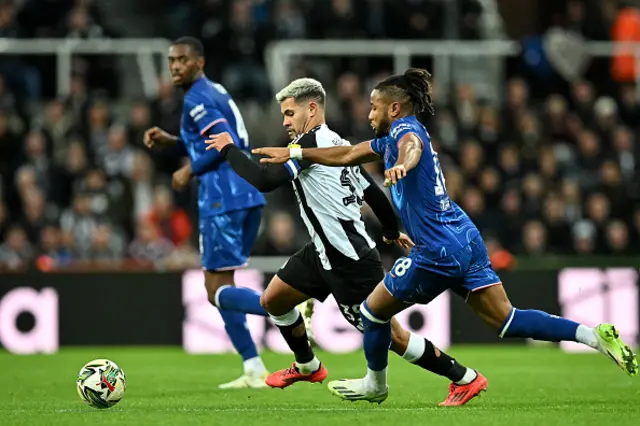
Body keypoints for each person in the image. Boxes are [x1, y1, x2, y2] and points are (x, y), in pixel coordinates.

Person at [251, 68, 639, 404]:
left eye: (374, 107)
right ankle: (592, 336)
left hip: (437, 250)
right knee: (507, 320)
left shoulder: (404, 131)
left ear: (395, 108)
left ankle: (375, 384)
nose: (369, 114)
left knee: (372, 311)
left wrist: (403, 165)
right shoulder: (387, 140)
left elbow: (412, 148)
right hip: (463, 235)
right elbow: (348, 155)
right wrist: (298, 155)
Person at [206, 77, 487, 406]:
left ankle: (465, 377)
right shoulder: (335, 143)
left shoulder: (307, 149)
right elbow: (373, 194)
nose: (284, 121)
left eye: (289, 113)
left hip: (349, 259)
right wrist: (391, 230)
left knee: (391, 335)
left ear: (312, 109)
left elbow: (264, 181)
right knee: (274, 300)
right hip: (320, 251)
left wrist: (227, 148)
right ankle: (308, 365)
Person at [142, 37, 269, 389]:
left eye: (182, 60)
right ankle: (253, 366)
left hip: (221, 197)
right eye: (171, 60)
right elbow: (211, 136)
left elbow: (223, 140)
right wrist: (175, 140)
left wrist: (190, 169)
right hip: (246, 191)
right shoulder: (213, 91)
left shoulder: (196, 97)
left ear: (199, 62)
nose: (175, 67)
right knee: (221, 284)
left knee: (215, 290)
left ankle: (284, 306)